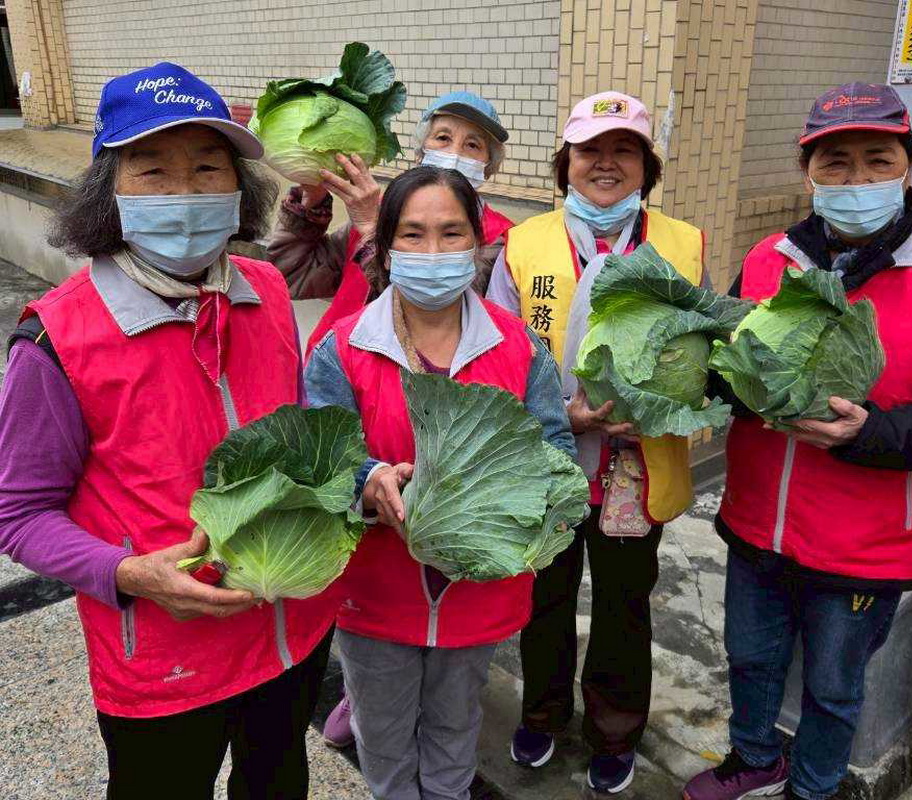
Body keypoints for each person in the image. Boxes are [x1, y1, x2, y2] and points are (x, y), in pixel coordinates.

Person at [0, 63, 340, 799]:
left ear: (239, 187)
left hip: (290, 627)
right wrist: (126, 574)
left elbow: (300, 436)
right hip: (163, 654)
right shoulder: (57, 338)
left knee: (278, 783)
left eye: (208, 168)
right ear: (109, 192)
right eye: (153, 171)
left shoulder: (269, 292)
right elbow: (18, 513)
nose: (185, 193)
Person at [683, 83, 912, 800]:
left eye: (875, 160)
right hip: (758, 519)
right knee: (751, 659)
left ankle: (815, 787)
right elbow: (733, 361)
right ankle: (755, 756)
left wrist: (874, 431)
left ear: (908, 164)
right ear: (808, 174)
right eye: (835, 164)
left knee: (833, 687)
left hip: (869, 543)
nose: (855, 180)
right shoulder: (769, 260)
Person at [305, 164, 575, 800]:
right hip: (375, 592)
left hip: (479, 592)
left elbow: (556, 452)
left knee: (457, 724)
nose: (433, 251)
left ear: (479, 242)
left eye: (452, 233)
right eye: (413, 234)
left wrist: (526, 526)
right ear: (386, 245)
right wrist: (367, 480)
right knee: (383, 729)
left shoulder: (522, 348)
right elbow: (318, 459)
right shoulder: (342, 347)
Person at [488, 91, 706, 794]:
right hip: (549, 462)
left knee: (624, 605)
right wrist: (565, 415)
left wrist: (667, 406)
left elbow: (704, 352)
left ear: (646, 164)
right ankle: (543, 714)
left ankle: (615, 731)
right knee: (545, 599)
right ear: (566, 164)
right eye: (590, 150)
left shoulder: (684, 243)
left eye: (624, 149)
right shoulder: (523, 245)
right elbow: (495, 356)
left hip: (636, 471)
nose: (606, 163)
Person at [268, 90, 514, 358]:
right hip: (334, 367)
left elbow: (435, 311)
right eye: (443, 138)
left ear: (488, 166)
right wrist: (310, 206)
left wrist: (373, 232)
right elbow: (293, 276)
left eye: (473, 145)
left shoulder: (500, 238)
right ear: (421, 151)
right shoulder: (376, 208)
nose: (454, 153)